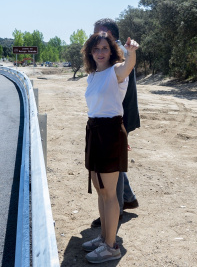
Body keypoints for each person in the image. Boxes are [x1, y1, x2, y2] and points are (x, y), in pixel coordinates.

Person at [81, 32, 140, 263]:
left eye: (105, 48)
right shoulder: (93, 76)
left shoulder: (117, 72)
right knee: (100, 189)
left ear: (111, 50)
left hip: (109, 133)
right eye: (96, 49)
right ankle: (104, 236)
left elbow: (128, 66)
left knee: (109, 193)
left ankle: (111, 246)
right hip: (94, 132)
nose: (100, 53)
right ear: (90, 53)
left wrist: (131, 52)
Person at [90, 18, 140, 229]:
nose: (95, 38)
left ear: (107, 32)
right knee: (115, 165)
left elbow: (124, 73)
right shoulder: (111, 49)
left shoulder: (116, 50)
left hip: (116, 117)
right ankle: (128, 199)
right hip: (116, 115)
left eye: (98, 33)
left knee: (112, 167)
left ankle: (116, 210)